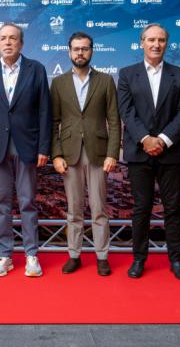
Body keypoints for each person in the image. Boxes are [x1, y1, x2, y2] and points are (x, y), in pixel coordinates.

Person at [117, 23, 180, 281]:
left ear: (166, 44)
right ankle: (139, 259)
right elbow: (127, 112)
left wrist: (161, 140)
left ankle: (176, 260)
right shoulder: (127, 74)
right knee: (141, 208)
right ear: (142, 43)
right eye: (151, 40)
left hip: (170, 152)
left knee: (172, 208)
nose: (156, 44)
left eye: (161, 40)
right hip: (139, 152)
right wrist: (146, 139)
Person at [0, 23, 52, 277]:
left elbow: (45, 111)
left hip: (27, 146)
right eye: (3, 38)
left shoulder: (36, 69)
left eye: (12, 38)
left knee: (27, 202)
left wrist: (44, 147)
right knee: (1, 204)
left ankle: (31, 254)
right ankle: (5, 255)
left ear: (21, 43)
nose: (8, 42)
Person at [50, 32, 121, 276]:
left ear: (92, 51)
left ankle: (102, 256)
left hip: (99, 153)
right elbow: (53, 122)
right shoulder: (58, 83)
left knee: (99, 208)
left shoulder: (106, 81)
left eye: (85, 48)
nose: (80, 52)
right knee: (74, 209)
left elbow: (114, 121)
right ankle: (74, 254)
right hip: (69, 154)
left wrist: (113, 153)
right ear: (69, 51)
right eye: (76, 48)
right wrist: (56, 155)